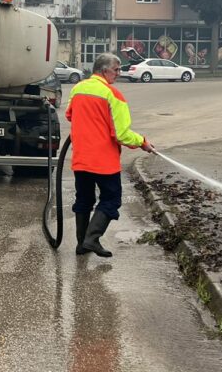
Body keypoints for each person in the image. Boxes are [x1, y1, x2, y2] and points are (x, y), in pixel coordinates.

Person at [65, 53, 155, 257]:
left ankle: (82, 245)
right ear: (104, 70)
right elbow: (122, 134)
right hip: (104, 161)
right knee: (111, 199)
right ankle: (92, 239)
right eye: (116, 69)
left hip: (81, 159)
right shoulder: (113, 94)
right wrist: (142, 142)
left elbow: (69, 114)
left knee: (84, 200)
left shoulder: (78, 88)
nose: (119, 73)